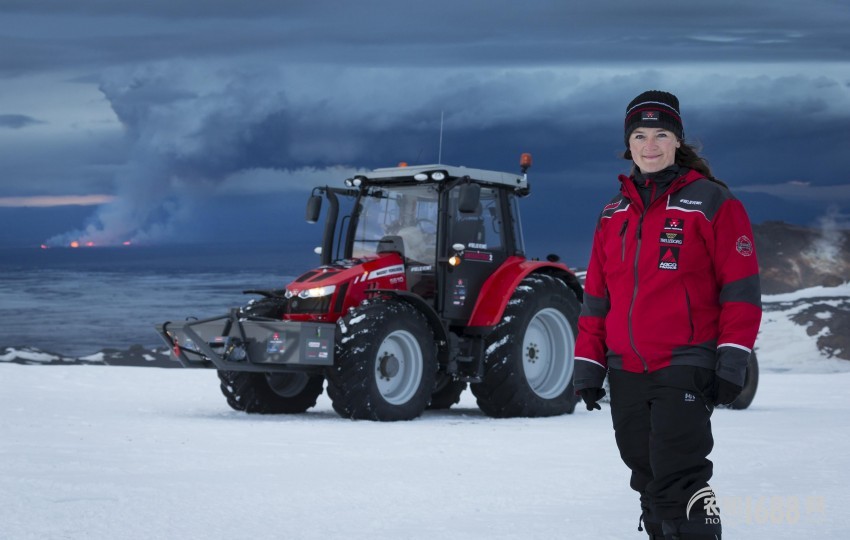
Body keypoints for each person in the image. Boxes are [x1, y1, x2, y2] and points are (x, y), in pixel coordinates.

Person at [573, 90, 762, 540]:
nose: (650, 145)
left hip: (686, 361)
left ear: (678, 140)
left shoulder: (713, 202)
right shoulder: (612, 213)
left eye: (661, 134)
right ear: (629, 145)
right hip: (626, 369)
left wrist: (732, 361)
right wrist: (588, 365)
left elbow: (741, 289)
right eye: (640, 135)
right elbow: (597, 297)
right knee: (647, 477)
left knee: (680, 480)